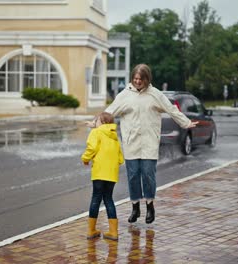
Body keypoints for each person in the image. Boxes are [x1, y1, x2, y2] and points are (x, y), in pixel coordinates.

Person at [102, 64, 198, 224]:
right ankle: (135, 207)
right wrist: (95, 123)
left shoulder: (155, 95)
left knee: (148, 175)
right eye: (135, 78)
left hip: (149, 142)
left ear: (147, 79)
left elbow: (171, 109)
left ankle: (149, 205)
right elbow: (109, 112)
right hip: (131, 142)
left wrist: (186, 123)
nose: (137, 81)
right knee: (133, 176)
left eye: (141, 79)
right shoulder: (124, 95)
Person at [82, 112, 124, 240]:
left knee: (96, 199)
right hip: (111, 174)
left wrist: (85, 158)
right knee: (108, 199)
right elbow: (121, 159)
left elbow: (92, 147)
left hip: (99, 172)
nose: (95, 123)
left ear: (103, 122)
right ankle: (113, 232)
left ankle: (91, 230)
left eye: (97, 121)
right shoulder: (114, 136)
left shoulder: (96, 132)